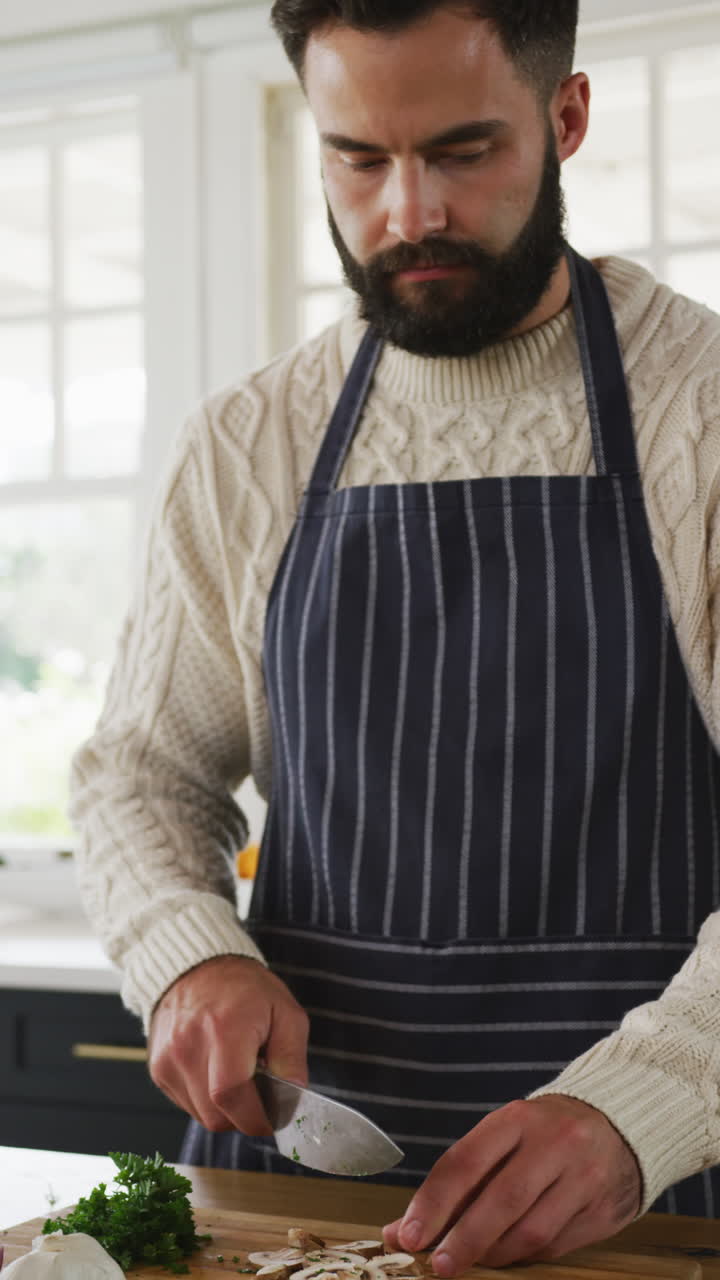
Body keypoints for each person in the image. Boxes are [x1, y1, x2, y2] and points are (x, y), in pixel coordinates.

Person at [70, 0, 720, 1269]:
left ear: (565, 117)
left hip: (646, 1201)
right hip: (298, 1201)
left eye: (463, 151)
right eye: (357, 158)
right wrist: (191, 955)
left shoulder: (701, 415)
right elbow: (141, 773)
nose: (407, 211)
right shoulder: (245, 444)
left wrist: (644, 1102)